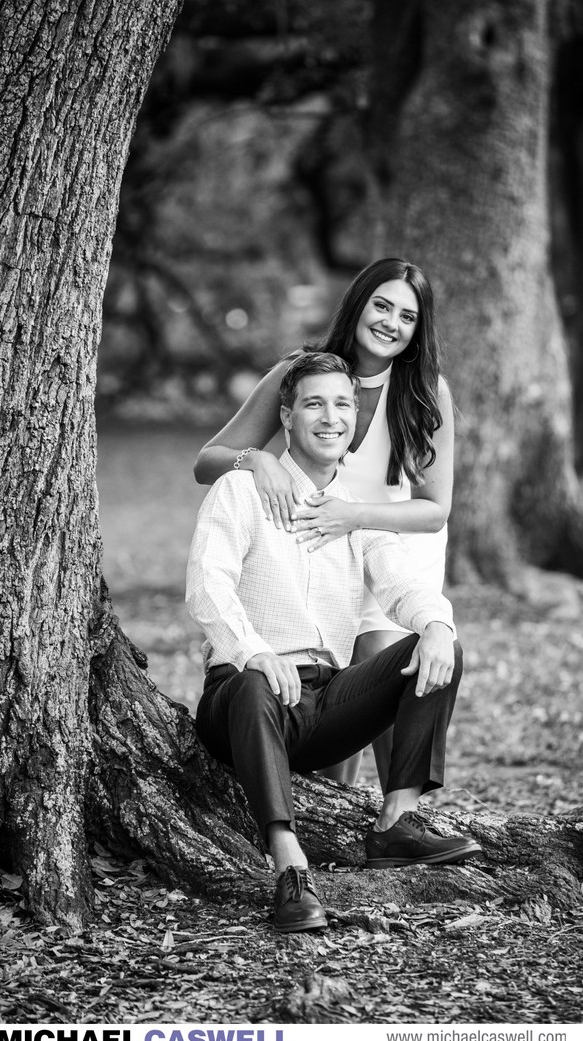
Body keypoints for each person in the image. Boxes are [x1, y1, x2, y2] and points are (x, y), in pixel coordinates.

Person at [187, 352, 480, 934]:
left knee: (435, 645)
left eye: (342, 404)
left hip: (322, 704)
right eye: (314, 404)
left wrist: (438, 626)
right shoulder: (241, 492)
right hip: (243, 698)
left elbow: (403, 586)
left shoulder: (352, 513)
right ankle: (290, 869)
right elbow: (207, 584)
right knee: (251, 686)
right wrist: (255, 652)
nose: (331, 417)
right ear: (288, 416)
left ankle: (397, 820)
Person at [194, 258, 454, 788]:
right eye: (381, 305)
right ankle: (334, 801)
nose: (390, 322)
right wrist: (256, 459)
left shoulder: (427, 391)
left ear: (418, 329)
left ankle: (397, 811)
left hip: (387, 542)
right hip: (317, 548)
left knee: (382, 655)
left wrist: (353, 516)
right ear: (358, 304)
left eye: (407, 315)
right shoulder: (301, 372)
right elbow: (208, 460)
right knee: (331, 682)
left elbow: (434, 509)